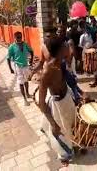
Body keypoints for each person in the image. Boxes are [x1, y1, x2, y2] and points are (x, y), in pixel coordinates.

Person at [38, 38, 76, 167]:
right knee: (59, 131)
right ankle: (63, 155)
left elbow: (67, 79)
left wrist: (79, 93)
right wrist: (53, 123)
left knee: (70, 126)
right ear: (60, 51)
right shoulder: (48, 72)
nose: (68, 45)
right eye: (66, 45)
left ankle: (71, 145)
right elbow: (41, 103)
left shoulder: (62, 62)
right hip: (57, 105)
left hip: (66, 98)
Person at [7, 32, 33, 106]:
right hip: (18, 66)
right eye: (18, 37)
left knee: (26, 80)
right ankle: (24, 99)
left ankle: (27, 94)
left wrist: (31, 60)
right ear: (14, 38)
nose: (19, 39)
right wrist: (10, 68)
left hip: (25, 65)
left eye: (20, 37)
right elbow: (8, 58)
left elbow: (31, 51)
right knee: (21, 82)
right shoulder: (12, 47)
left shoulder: (25, 44)